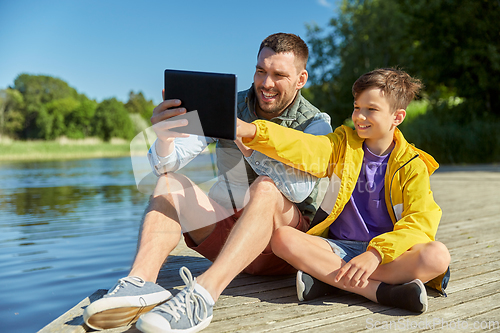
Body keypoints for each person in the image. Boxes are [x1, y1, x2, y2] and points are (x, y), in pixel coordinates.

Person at [83, 33, 332, 332]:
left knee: (266, 187)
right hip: (227, 234)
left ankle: (202, 295)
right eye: (261, 71)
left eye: (279, 75)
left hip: (281, 248)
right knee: (168, 183)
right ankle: (140, 283)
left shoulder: (315, 124)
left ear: (301, 78)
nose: (266, 83)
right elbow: (165, 165)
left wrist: (247, 137)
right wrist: (164, 136)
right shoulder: (228, 105)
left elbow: (298, 189)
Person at [236, 68, 451, 313]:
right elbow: (305, 147)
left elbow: (419, 224)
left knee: (437, 256)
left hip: (388, 254)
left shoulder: (411, 166)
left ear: (397, 117)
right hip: (338, 247)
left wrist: (376, 254)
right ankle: (379, 291)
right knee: (283, 238)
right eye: (357, 107)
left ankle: (329, 278)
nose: (359, 116)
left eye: (371, 109)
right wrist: (252, 130)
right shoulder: (342, 144)